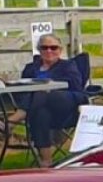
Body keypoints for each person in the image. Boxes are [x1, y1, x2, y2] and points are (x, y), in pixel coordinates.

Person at [11, 33, 87, 165]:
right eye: (44, 48)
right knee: (41, 114)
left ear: (60, 50)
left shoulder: (68, 66)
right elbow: (21, 90)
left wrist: (51, 85)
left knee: (42, 91)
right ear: (39, 50)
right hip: (39, 109)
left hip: (66, 106)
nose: (49, 51)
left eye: (53, 47)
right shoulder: (31, 68)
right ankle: (46, 161)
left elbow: (75, 85)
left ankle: (13, 120)